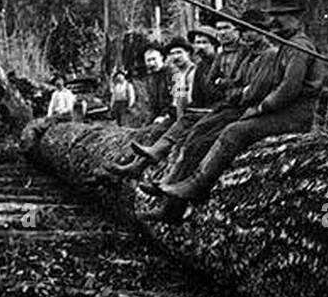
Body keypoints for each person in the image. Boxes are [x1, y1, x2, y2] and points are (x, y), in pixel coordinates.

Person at [147, 0, 324, 221]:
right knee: (205, 131)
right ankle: (174, 200)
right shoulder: (286, 45)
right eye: (274, 15)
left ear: (297, 17)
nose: (275, 21)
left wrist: (260, 107)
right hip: (279, 110)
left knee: (234, 131)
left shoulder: (298, 48)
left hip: (295, 115)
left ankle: (198, 184)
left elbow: (288, 90)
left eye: (282, 15)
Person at [105, 21, 244, 179]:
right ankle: (135, 166)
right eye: (197, 43)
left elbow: (217, 92)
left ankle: (171, 179)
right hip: (194, 112)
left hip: (219, 111)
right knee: (151, 132)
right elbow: (186, 99)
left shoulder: (204, 66)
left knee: (189, 138)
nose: (200, 47)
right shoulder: (197, 69)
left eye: (204, 42)